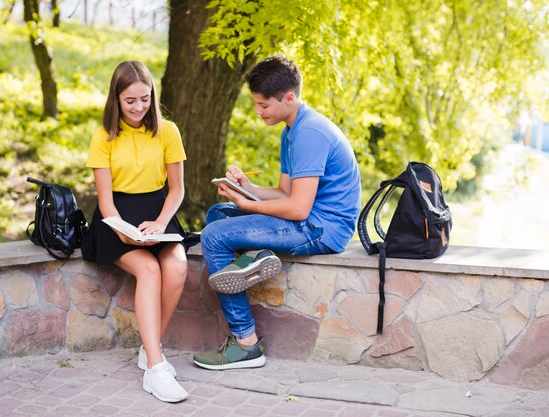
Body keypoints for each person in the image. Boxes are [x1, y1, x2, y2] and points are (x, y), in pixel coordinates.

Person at [193, 56, 361, 370]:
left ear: (289, 98)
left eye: (264, 105)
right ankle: (255, 257)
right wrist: (247, 188)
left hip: (320, 229)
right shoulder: (292, 129)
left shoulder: (310, 133)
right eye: (256, 104)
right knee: (219, 213)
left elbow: (298, 208)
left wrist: (250, 206)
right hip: (307, 219)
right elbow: (285, 193)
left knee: (215, 236)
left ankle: (245, 343)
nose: (259, 112)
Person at [81, 60, 189, 402]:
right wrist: (124, 230)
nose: (139, 107)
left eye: (145, 99)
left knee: (177, 264)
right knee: (149, 268)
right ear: (116, 100)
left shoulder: (168, 131)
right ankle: (156, 369)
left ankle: (149, 348)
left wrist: (160, 223)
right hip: (117, 219)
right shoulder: (103, 137)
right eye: (131, 101)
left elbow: (177, 190)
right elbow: (106, 201)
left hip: (159, 213)